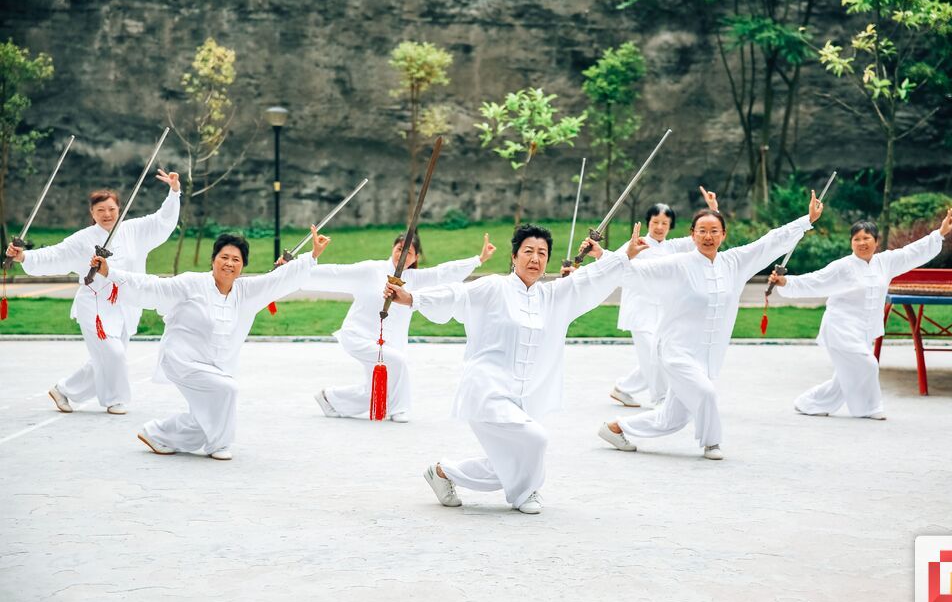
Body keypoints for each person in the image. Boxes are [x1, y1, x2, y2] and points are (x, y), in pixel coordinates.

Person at [385, 223, 649, 514]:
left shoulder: (551, 297)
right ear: (514, 257)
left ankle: (443, 472)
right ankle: (527, 492)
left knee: (510, 464)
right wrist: (412, 299)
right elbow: (455, 295)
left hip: (524, 398)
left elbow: (587, 280)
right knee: (536, 439)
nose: (535, 259)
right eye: (528, 252)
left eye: (542, 253)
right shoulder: (493, 287)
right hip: (486, 391)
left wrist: (626, 255)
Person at [597, 186, 824, 460]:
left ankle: (615, 428)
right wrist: (603, 256)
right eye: (702, 231)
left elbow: (769, 242)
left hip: (707, 356)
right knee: (705, 394)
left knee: (671, 419)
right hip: (676, 350)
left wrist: (806, 221)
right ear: (692, 235)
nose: (708, 236)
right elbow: (635, 273)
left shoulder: (735, 262)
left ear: (723, 235)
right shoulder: (678, 264)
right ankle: (712, 443)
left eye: (714, 231)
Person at [87, 227, 331, 460]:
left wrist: (312, 255)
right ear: (213, 260)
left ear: (243, 266)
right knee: (228, 390)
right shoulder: (191, 284)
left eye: (236, 259)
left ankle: (158, 433)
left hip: (217, 366)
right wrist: (110, 272)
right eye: (224, 257)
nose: (229, 263)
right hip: (181, 360)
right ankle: (219, 445)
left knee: (208, 415)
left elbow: (277, 281)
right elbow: (151, 286)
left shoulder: (246, 291)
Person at [5, 171, 180, 415]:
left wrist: (174, 192)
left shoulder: (135, 230)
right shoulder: (82, 239)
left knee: (105, 358)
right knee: (113, 354)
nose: (107, 215)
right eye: (100, 211)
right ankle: (115, 399)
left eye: (111, 209)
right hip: (95, 306)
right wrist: (24, 256)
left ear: (119, 209)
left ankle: (63, 390)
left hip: (126, 304)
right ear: (92, 213)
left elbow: (163, 220)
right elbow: (55, 254)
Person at [768, 209, 952, 419]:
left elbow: (911, 253)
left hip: (864, 330)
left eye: (866, 238)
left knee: (845, 377)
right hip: (839, 328)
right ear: (851, 243)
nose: (862, 242)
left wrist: (938, 234)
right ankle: (869, 409)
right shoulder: (843, 266)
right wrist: (786, 282)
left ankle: (809, 403)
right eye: (856, 239)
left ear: (876, 241)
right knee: (868, 364)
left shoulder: (886, 262)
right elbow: (815, 281)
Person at [306, 231, 496, 422]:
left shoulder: (415, 279)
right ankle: (399, 409)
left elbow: (443, 273)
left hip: (388, 344)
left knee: (378, 391)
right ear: (393, 249)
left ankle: (330, 398)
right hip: (358, 336)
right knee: (398, 362)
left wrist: (478, 260)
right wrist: (296, 269)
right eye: (399, 249)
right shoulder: (372, 270)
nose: (402, 255)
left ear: (416, 258)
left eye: (409, 253)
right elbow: (337, 273)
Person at [610, 203, 695, 408]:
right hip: (639, 311)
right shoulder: (636, 243)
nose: (659, 227)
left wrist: (713, 210)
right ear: (648, 222)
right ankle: (661, 400)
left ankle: (622, 388)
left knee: (658, 355)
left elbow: (698, 239)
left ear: (670, 225)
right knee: (652, 356)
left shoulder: (672, 247)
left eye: (664, 223)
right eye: (655, 222)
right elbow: (612, 262)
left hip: (662, 312)